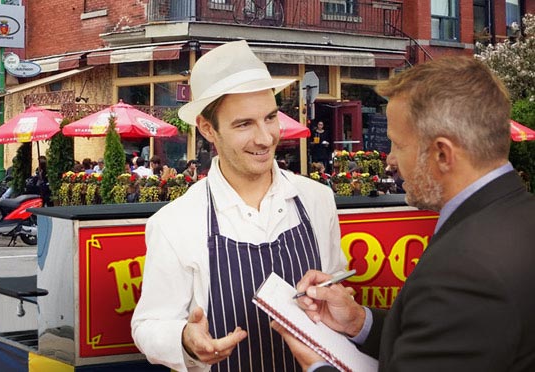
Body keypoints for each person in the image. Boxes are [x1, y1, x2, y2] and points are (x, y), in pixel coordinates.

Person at [275, 56, 535, 371]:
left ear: (442, 153)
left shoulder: (462, 271)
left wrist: (316, 364)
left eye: (398, 145)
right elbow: (447, 341)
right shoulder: (517, 216)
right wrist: (359, 321)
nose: (390, 161)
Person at [131, 40, 346, 372]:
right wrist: (186, 339)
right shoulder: (176, 222)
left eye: (270, 117)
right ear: (207, 129)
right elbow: (148, 324)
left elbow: (335, 293)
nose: (265, 138)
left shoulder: (316, 200)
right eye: (244, 124)